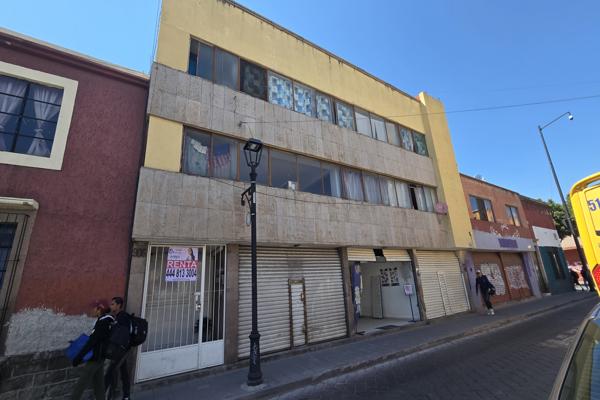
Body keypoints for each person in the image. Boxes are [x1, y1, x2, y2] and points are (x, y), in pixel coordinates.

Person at [71, 299, 113, 400]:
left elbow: (92, 342)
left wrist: (79, 357)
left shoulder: (103, 323)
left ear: (99, 309)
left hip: (95, 357)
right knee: (99, 385)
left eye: (94, 308)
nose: (92, 311)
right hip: (100, 357)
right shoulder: (107, 321)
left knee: (81, 384)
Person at [104, 296, 131, 400]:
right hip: (122, 349)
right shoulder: (118, 317)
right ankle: (126, 396)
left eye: (113, 304)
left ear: (119, 305)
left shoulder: (122, 317)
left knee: (110, 372)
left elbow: (120, 335)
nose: (111, 306)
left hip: (120, 350)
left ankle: (101, 396)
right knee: (123, 372)